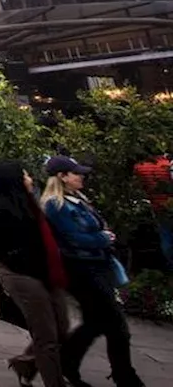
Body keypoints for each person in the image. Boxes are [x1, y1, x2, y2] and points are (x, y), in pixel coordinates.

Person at [42, 156, 145, 387]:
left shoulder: (78, 199)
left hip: (96, 266)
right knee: (116, 325)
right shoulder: (56, 205)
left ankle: (67, 362)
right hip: (82, 270)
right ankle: (124, 375)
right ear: (62, 176)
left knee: (95, 323)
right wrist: (101, 238)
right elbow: (72, 238)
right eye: (76, 173)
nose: (81, 176)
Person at [0, 162, 71, 387]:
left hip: (45, 272)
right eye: (26, 176)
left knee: (61, 326)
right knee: (46, 336)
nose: (30, 179)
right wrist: (19, 258)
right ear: (15, 181)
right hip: (20, 273)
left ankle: (26, 364)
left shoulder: (29, 204)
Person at [133, 152, 173, 269]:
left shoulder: (139, 167)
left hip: (158, 207)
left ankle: (171, 264)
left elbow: (139, 187)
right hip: (169, 203)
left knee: (166, 236)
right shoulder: (166, 165)